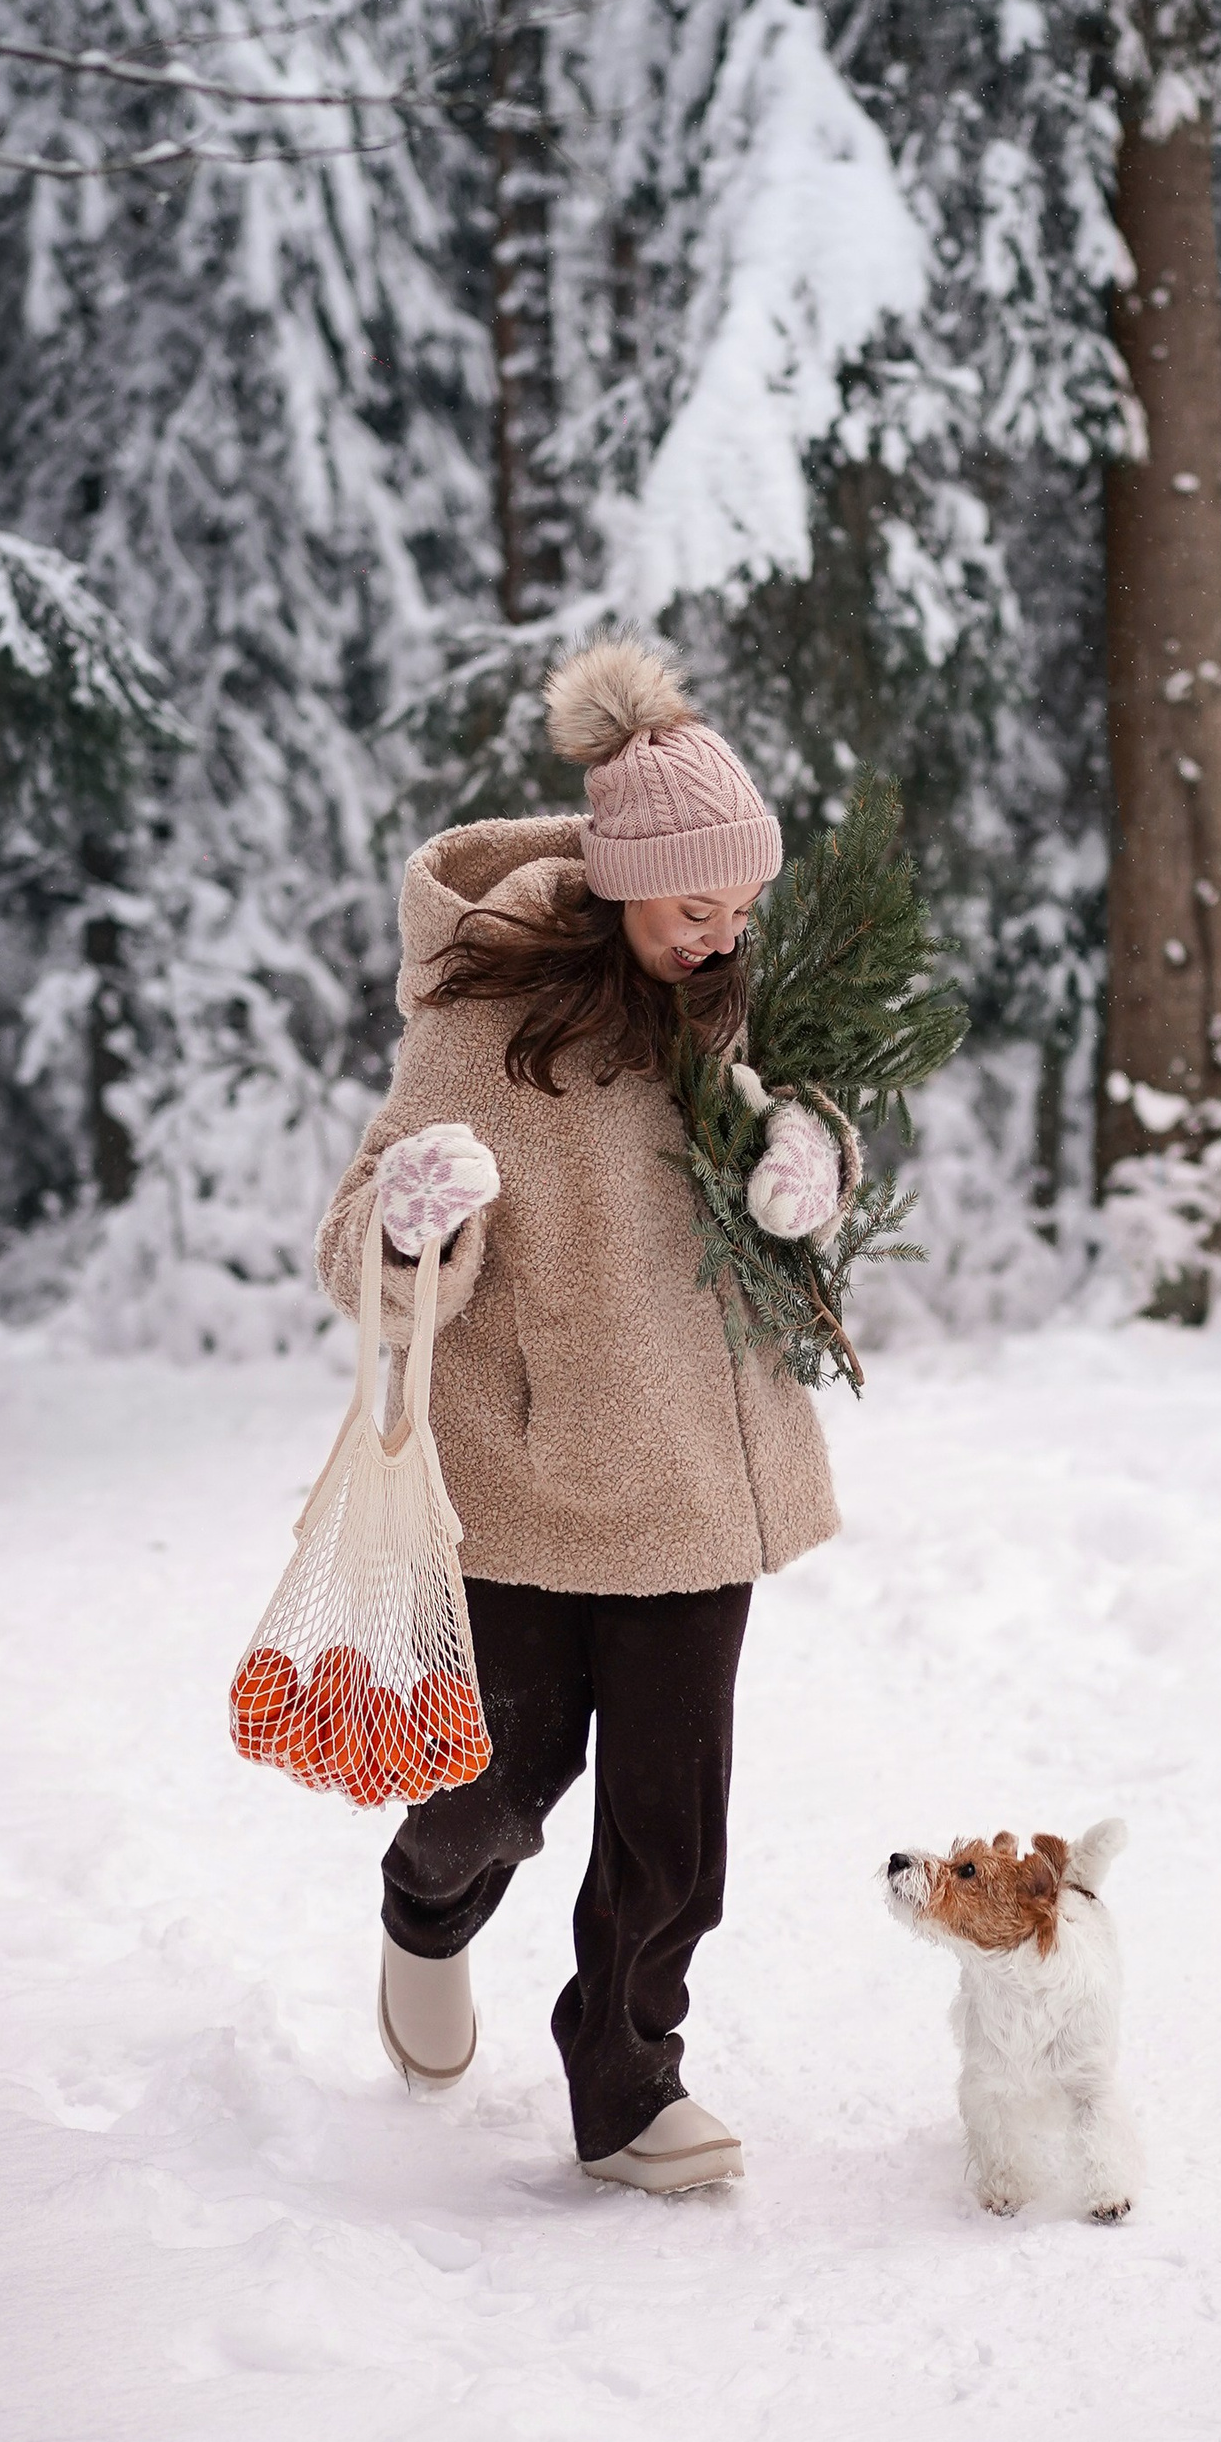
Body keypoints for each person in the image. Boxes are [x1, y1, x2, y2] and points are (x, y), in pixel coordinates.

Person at [315, 638, 847, 2192]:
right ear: (619, 881)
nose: (723, 933)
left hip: (699, 1479)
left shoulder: (726, 995)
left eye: (740, 905)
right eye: (696, 906)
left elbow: (807, 1139)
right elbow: (357, 1240)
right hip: (537, 1481)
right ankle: (428, 1906)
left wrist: (815, 1172)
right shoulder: (484, 1017)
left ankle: (627, 2081)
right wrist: (413, 1219)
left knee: (674, 1830)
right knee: (497, 1782)